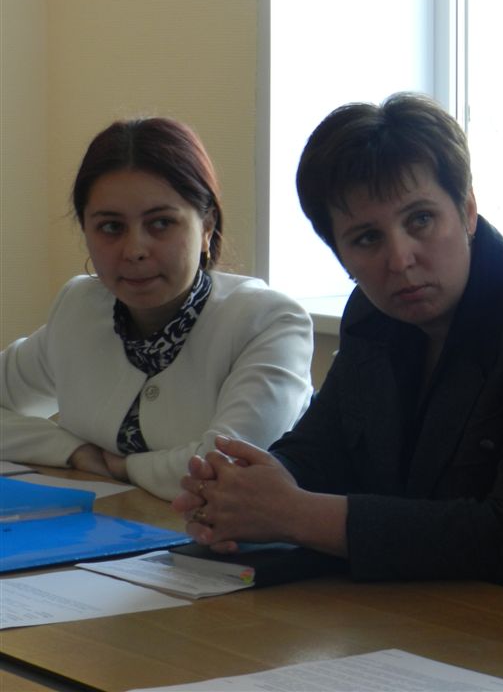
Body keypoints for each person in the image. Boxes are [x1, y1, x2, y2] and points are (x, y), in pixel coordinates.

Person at [172, 93, 503, 593]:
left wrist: (295, 515)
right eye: (367, 238)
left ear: (468, 210)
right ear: (340, 254)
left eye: (421, 220)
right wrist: (239, 487)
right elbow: (320, 452)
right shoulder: (373, 312)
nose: (400, 259)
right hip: (403, 609)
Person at [1, 118, 315, 501]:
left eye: (161, 223)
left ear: (207, 227)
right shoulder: (78, 307)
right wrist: (73, 451)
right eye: (111, 227)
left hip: (230, 537)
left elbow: (226, 470)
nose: (135, 249)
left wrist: (122, 467)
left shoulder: (268, 321)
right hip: (112, 528)